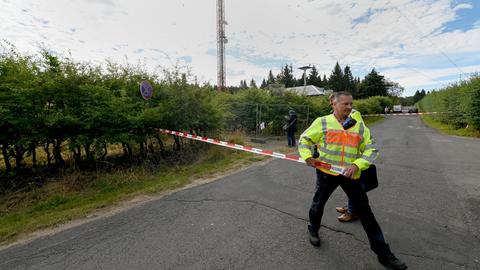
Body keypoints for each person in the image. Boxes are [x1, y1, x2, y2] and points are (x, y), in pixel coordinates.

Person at [298, 91, 407, 270]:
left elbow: (371, 149)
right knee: (318, 203)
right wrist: (307, 156)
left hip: (351, 175)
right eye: (345, 104)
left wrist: (357, 165)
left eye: (351, 104)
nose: (349, 107)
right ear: (333, 103)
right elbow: (304, 139)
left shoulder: (358, 125)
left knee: (367, 214)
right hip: (327, 173)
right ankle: (313, 229)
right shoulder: (322, 122)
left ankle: (384, 254)